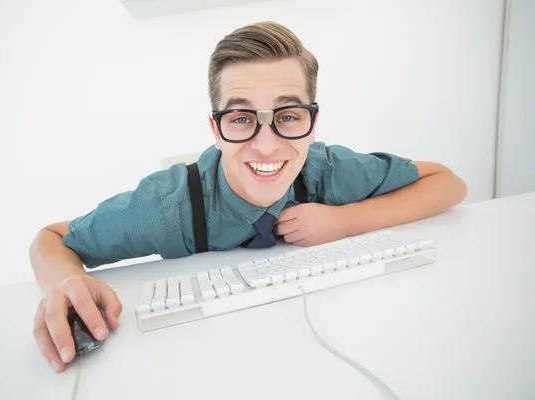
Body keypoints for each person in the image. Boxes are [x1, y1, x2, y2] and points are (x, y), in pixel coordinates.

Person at [29, 21, 467, 373]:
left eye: (288, 115)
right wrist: (66, 283)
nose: (266, 145)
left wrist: (345, 221)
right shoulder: (165, 207)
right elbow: (50, 238)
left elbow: (448, 183)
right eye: (241, 119)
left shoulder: (325, 168)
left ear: (312, 124)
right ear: (215, 129)